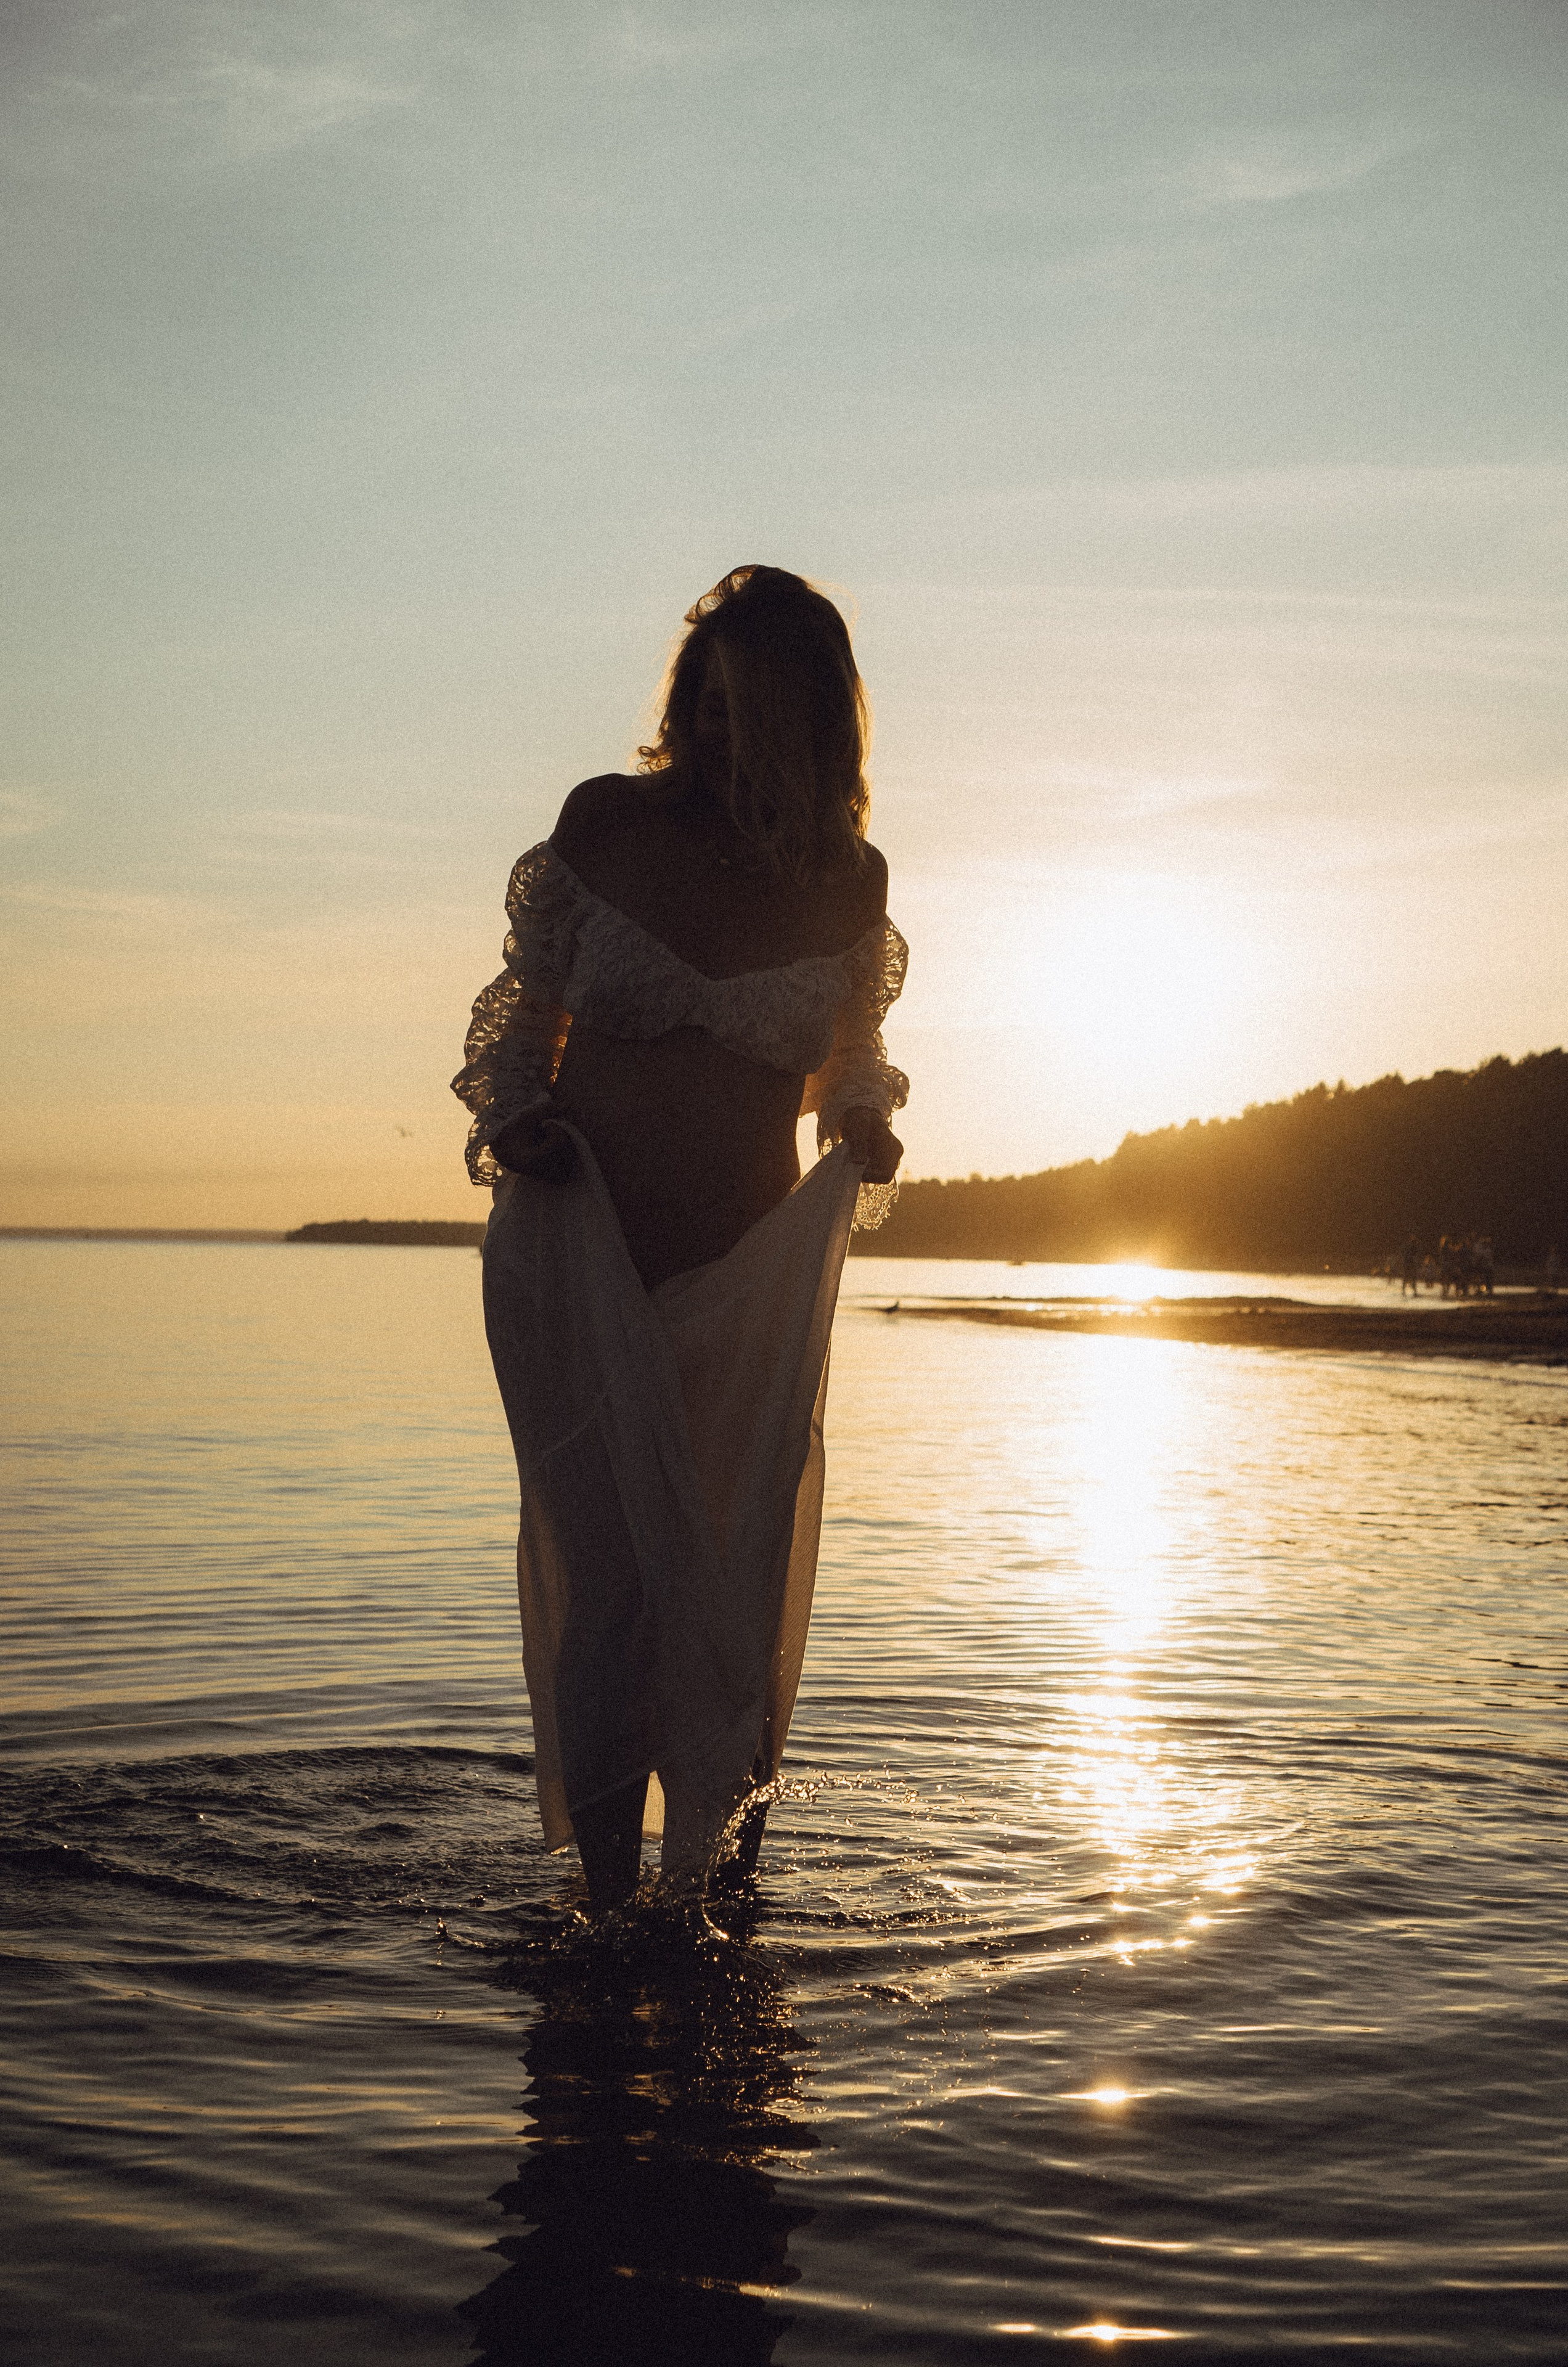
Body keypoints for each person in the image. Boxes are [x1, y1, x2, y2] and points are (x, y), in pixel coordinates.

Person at [452, 566, 908, 1913]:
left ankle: (718, 1892)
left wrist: (867, 1123)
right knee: (608, 1589)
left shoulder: (847, 875)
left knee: (735, 1572)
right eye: (699, 703)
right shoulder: (604, 824)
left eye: (746, 709)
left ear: (812, 722)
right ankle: (606, 1912)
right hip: (577, 1261)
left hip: (750, 1285)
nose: (714, 731)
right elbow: (522, 1027)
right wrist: (521, 1119)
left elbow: (855, 1056)